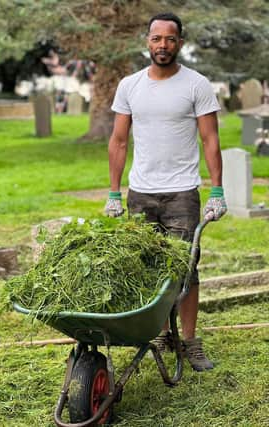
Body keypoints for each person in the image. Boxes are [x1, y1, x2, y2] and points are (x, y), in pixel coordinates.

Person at [104, 12, 227, 371]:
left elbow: (210, 139)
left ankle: (189, 341)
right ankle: (161, 332)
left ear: (180, 44)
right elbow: (118, 140)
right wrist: (114, 194)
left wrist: (216, 190)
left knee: (186, 269)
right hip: (140, 193)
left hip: (181, 194)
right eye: (157, 39)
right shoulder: (130, 86)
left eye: (170, 39)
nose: (163, 45)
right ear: (147, 41)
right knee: (149, 267)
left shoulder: (196, 85)